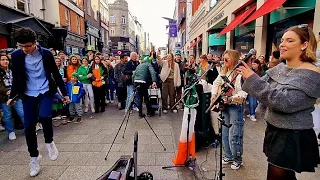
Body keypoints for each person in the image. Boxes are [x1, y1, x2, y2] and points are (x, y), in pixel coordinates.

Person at [237, 25, 320, 179]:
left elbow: (284, 101)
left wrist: (252, 78)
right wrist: (246, 75)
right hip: (275, 130)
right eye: (282, 40)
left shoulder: (311, 74)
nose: (282, 44)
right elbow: (261, 87)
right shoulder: (282, 67)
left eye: (289, 40)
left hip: (291, 135)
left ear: (304, 44)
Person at [7, 27, 70, 177]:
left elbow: (56, 74)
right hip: (28, 93)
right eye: (21, 46)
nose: (25, 49)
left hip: (46, 91)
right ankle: (34, 158)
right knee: (28, 127)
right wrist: (13, 96)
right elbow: (17, 78)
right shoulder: (16, 56)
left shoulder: (46, 54)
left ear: (35, 42)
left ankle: (49, 143)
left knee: (44, 116)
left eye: (28, 46)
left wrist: (65, 94)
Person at [211, 49, 247, 170]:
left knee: (234, 134)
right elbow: (216, 83)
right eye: (223, 58)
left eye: (227, 58)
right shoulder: (224, 71)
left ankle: (237, 159)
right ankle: (228, 156)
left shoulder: (240, 74)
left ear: (234, 59)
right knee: (225, 133)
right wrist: (214, 95)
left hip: (235, 107)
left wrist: (231, 98)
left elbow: (243, 93)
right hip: (225, 105)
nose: (224, 60)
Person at [0, 54, 24, 140]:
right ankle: (10, 131)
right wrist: (6, 91)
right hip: (4, 96)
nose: (5, 61)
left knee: (22, 112)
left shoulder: (12, 70)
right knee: (7, 115)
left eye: (6, 59)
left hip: (15, 94)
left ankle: (29, 129)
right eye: (2, 60)